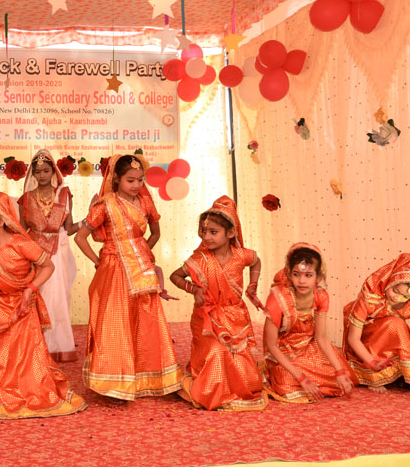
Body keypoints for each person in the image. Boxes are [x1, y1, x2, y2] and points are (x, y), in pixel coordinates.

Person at [0, 192, 87, 419]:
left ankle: (16, 390)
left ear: (1, 221)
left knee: (22, 357)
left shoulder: (21, 244)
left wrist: (31, 289)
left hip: (20, 306)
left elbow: (48, 266)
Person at [74, 154, 183, 400]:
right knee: (116, 322)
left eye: (140, 180)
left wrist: (141, 253)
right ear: (116, 180)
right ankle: (115, 379)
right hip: (113, 269)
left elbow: (155, 233)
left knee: (146, 320)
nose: (136, 185)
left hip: (140, 268)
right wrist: (97, 261)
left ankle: (148, 377)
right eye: (130, 180)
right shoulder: (105, 205)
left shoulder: (145, 202)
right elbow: (80, 237)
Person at [169, 195, 267, 411]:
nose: (207, 237)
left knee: (240, 365)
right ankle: (213, 391)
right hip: (206, 319)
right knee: (216, 352)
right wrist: (193, 289)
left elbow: (256, 261)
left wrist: (252, 286)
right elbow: (175, 276)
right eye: (204, 231)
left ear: (230, 233)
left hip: (235, 316)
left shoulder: (241, 255)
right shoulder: (199, 259)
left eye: (213, 232)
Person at [263, 243, 356, 402]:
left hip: (308, 344)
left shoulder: (320, 295)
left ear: (318, 277)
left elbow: (321, 338)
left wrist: (339, 372)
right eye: (296, 274)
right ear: (289, 273)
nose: (301, 281)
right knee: (286, 385)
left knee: (343, 375)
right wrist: (301, 378)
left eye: (308, 275)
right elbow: (271, 345)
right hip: (284, 349)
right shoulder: (278, 298)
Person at [18, 150, 80, 362]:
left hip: (58, 250)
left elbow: (69, 228)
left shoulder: (64, 195)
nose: (42, 175)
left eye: (46, 171)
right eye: (38, 172)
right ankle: (37, 344)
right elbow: (22, 231)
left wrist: (88, 220)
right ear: (32, 174)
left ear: (53, 172)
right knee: (37, 295)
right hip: (34, 252)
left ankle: (59, 345)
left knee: (58, 296)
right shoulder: (26, 199)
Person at [343, 253, 410, 392]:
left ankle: (400, 374)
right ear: (389, 281)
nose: (396, 298)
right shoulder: (369, 298)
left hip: (388, 345)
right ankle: (374, 376)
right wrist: (372, 364)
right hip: (365, 345)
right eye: (395, 290)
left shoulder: (405, 304)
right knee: (396, 324)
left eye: (404, 296)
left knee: (401, 327)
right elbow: (353, 338)